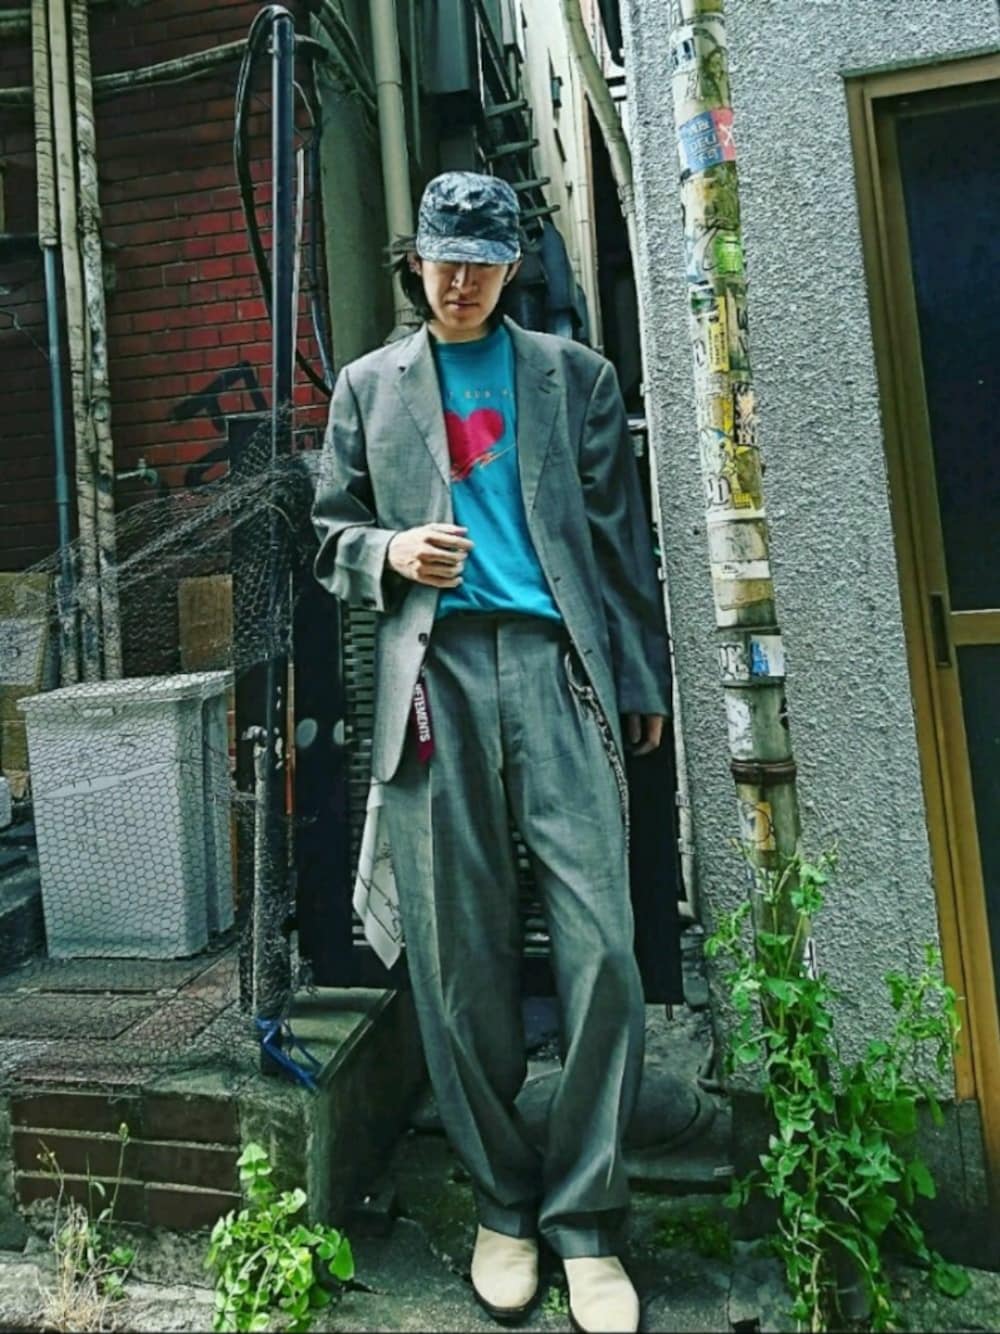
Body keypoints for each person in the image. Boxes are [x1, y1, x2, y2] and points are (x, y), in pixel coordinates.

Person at [311, 171, 670, 1334]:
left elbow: (619, 543)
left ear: (512, 267)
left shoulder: (575, 377)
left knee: (603, 943)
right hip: (436, 681)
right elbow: (325, 532)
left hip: (557, 669)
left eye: (480, 262)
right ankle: (504, 1203)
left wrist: (638, 677)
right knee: (457, 959)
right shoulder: (368, 387)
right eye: (442, 259)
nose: (458, 280)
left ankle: (587, 1218)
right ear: (415, 260)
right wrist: (386, 551)